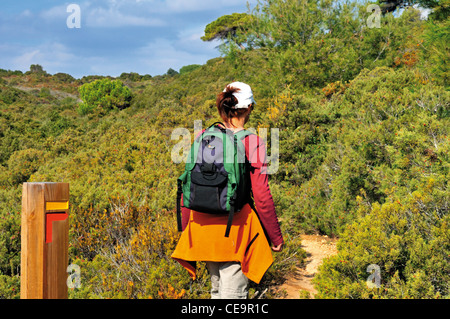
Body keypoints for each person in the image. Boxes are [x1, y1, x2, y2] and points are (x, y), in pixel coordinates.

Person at [171, 82, 284, 299]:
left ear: (222, 108)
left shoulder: (203, 136)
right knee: (233, 295)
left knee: (216, 290)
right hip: (236, 230)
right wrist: (275, 236)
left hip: (203, 228)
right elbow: (261, 197)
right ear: (249, 108)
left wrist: (187, 229)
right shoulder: (253, 142)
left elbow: (188, 185)